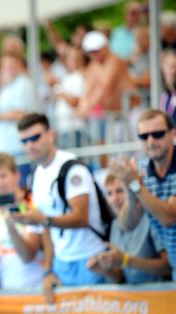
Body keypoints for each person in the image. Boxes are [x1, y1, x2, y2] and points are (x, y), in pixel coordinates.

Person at [13, 113, 107, 304]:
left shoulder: (73, 168)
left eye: (35, 137)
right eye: (24, 141)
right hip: (62, 264)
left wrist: (42, 220)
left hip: (92, 258)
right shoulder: (36, 175)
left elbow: (81, 217)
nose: (30, 145)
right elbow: (47, 228)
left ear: (51, 135)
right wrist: (49, 270)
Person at [108, 109, 176, 282]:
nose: (151, 141)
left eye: (158, 134)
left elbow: (169, 216)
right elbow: (127, 224)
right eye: (144, 136)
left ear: (173, 134)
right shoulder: (141, 172)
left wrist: (135, 185)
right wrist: (130, 190)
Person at [87, 174, 171, 283]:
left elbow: (168, 267)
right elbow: (121, 277)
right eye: (109, 193)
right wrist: (104, 270)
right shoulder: (115, 225)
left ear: (132, 193)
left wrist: (127, 260)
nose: (114, 199)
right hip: (134, 297)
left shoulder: (150, 218)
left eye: (120, 191)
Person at [0, 152, 43, 289]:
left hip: (38, 290)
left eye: (3, 176)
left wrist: (9, 223)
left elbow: (27, 256)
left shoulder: (31, 204)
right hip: (8, 293)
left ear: (17, 175)